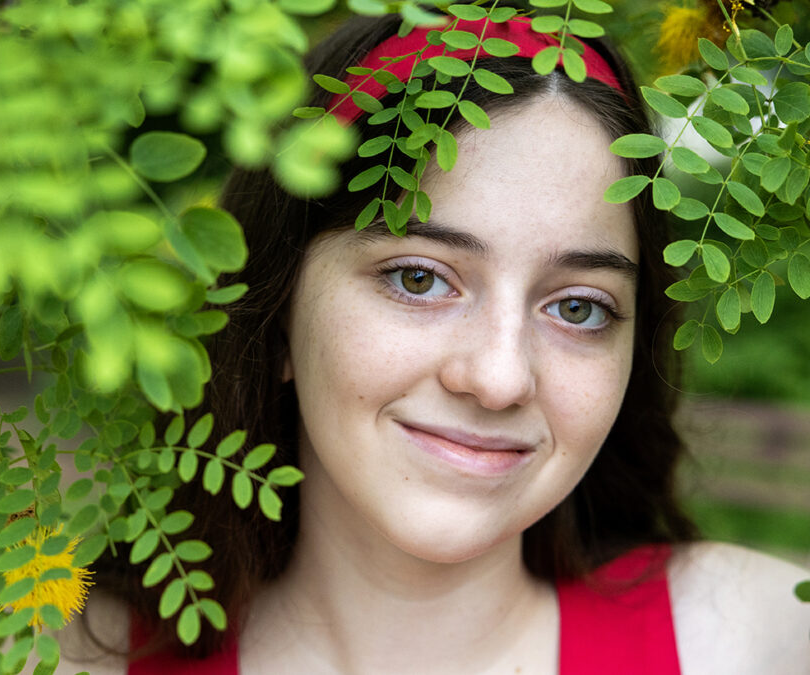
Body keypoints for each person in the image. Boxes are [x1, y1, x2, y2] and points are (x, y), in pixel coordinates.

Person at [58, 11, 810, 674]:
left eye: (579, 306)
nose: (499, 376)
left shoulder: (756, 641)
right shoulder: (57, 657)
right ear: (278, 306)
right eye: (419, 278)